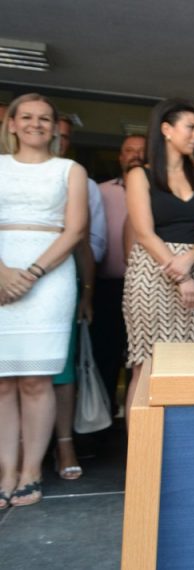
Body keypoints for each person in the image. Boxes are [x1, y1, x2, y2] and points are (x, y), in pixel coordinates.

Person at [0, 93, 88, 507]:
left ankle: (31, 470)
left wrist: (32, 273)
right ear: (12, 124)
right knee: (2, 382)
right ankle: (6, 471)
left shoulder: (70, 170)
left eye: (45, 118)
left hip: (50, 277)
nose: (36, 124)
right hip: (1, 271)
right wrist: (4, 273)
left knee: (36, 379)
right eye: (27, 117)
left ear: (54, 127)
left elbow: (75, 231)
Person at [123, 98, 194, 423]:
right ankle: (140, 448)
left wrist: (190, 259)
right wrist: (181, 274)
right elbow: (144, 232)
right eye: (191, 127)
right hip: (152, 272)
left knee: (185, 366)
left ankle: (173, 445)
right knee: (146, 365)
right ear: (166, 129)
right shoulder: (140, 175)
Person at [51, 115, 108, 480]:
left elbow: (87, 242)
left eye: (63, 136)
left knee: (63, 369)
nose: (57, 140)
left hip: (61, 280)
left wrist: (87, 292)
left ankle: (64, 444)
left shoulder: (80, 181)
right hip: (8, 279)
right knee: (11, 374)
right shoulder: (6, 172)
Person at [94, 135, 145, 417]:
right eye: (129, 150)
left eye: (141, 150)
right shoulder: (101, 191)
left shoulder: (158, 192)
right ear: (120, 156)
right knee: (107, 354)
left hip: (148, 287)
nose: (135, 154)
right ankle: (103, 420)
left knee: (140, 358)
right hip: (108, 286)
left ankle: (136, 420)